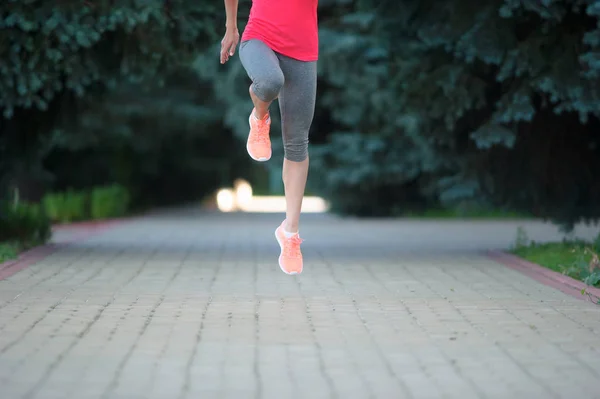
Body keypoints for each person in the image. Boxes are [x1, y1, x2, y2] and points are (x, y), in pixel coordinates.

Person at [220, 0, 318, 275]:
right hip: (259, 38)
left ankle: (290, 233)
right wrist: (231, 27)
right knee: (269, 80)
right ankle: (259, 117)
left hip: (303, 49)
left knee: (297, 142)